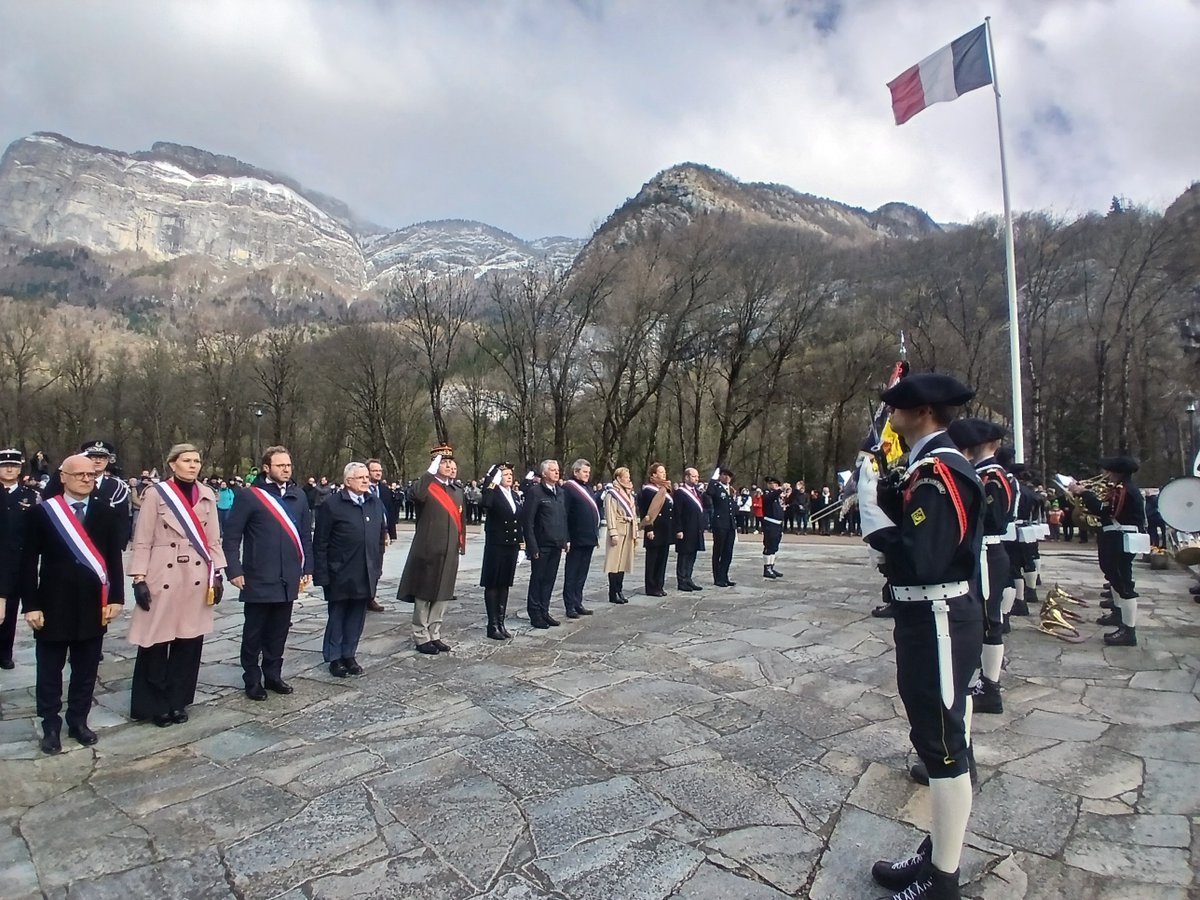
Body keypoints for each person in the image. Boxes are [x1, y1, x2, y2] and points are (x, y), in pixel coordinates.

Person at [858, 372, 983, 900]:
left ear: (924, 413)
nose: (891, 416)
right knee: (937, 743)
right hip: (927, 617)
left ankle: (943, 880)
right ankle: (938, 853)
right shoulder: (928, 467)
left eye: (898, 407)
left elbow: (922, 555)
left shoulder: (939, 470)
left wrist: (873, 520)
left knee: (944, 748)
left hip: (937, 617)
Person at [20, 454, 125, 753]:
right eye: (79, 475)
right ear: (63, 477)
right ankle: (50, 725)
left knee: (86, 668)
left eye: (91, 475)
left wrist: (116, 597)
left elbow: (113, 559)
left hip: (93, 604)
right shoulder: (44, 513)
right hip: (53, 604)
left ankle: (78, 720)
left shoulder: (105, 512)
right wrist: (31, 605)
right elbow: (29, 563)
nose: (86, 479)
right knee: (50, 669)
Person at [127, 444, 226, 726]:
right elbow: (142, 538)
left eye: (197, 460)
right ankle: (154, 703)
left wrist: (217, 573)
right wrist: (138, 577)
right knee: (156, 641)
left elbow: (213, 540)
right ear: (173, 464)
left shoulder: (206, 495)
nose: (193, 465)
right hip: (163, 571)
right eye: (187, 460)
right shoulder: (156, 495)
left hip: (195, 574)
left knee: (188, 641)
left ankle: (178, 700)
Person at [222, 446, 313, 700]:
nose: (286, 469)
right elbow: (231, 536)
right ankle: (252, 678)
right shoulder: (250, 496)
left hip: (288, 578)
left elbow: (305, 535)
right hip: (258, 576)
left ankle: (273, 674)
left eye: (288, 465)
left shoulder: (299, 496)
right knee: (254, 633)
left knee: (279, 631)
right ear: (266, 468)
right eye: (280, 465)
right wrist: (234, 569)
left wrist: (308, 567)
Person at [947, 419, 1013, 716]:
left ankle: (990, 687)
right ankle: (987, 678)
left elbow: (993, 518)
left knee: (989, 621)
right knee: (988, 618)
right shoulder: (987, 474)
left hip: (988, 552)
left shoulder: (991, 477)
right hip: (986, 551)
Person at [314, 462, 387, 676]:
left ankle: (349, 654)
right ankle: (334, 657)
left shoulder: (374, 503)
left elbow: (379, 539)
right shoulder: (332, 505)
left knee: (357, 616)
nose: (366, 480)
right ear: (348, 482)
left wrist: (377, 566)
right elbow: (321, 542)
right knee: (338, 616)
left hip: (365, 570)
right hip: (340, 571)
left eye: (367, 477)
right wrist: (323, 574)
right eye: (360, 477)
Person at [397, 444, 465, 653]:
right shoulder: (426, 487)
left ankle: (435, 633)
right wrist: (429, 473)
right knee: (424, 594)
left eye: (450, 462)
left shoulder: (456, 490)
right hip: (428, 548)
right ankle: (421, 635)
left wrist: (461, 544)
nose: (448, 465)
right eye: (442, 462)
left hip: (449, 550)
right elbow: (415, 495)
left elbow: (460, 520)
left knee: (443, 594)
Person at [1075, 456, 1146, 646]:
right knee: (1114, 577)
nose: (1105, 475)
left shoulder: (1124, 490)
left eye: (1108, 471)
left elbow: (1105, 510)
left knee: (1124, 584)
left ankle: (1128, 630)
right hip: (1114, 537)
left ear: (1117, 472)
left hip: (1120, 538)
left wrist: (1084, 493)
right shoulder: (1119, 488)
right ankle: (1118, 614)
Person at [44, 441, 133, 548]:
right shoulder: (71, 482)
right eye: (93, 457)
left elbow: (122, 519)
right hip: (70, 541)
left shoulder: (117, 486)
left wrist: (119, 544)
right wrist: (65, 466)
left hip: (103, 545)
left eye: (103, 457)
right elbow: (48, 496)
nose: (98, 461)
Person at [0, 449, 38, 672]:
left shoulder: (29, 496)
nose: (9, 469)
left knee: (10, 611)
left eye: (13, 465)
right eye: (4, 466)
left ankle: (5, 653)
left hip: (17, 560)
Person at [522, 459, 569, 628]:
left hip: (556, 544)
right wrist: (532, 546)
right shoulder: (535, 492)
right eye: (553, 470)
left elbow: (563, 518)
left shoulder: (560, 492)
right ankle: (535, 613)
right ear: (544, 473)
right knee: (538, 579)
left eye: (558, 469)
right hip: (541, 545)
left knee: (549, 580)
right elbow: (528, 522)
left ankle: (544, 610)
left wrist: (565, 539)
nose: (557, 472)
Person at [479, 462, 522, 639]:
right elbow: (486, 504)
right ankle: (493, 624)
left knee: (505, 584)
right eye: (505, 474)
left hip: (510, 546)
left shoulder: (514, 494)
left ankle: (501, 623)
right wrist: (491, 482)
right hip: (496, 545)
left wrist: (521, 545)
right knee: (493, 584)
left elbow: (520, 522)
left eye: (510, 474)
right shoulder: (493, 493)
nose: (509, 476)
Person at [562, 458, 600, 618]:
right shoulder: (569, 488)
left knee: (582, 573)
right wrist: (566, 538)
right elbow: (564, 514)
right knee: (572, 573)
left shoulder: (588, 488)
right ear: (575, 471)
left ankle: (578, 602)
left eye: (588, 473)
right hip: (576, 538)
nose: (587, 475)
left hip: (588, 538)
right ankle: (569, 605)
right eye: (584, 472)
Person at [603, 467, 638, 603]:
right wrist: (612, 531)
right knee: (614, 563)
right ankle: (613, 592)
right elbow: (610, 513)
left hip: (628, 530)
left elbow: (633, 513)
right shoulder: (612, 494)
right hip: (618, 529)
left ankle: (619, 590)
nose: (628, 479)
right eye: (626, 476)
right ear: (618, 478)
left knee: (623, 563)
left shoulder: (629, 493)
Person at [639, 463, 674, 597]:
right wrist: (649, 528)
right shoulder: (648, 490)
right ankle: (651, 586)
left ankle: (659, 585)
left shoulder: (666, 489)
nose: (663, 474)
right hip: (655, 529)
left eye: (664, 472)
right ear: (653, 474)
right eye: (660, 472)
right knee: (652, 560)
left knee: (662, 559)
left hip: (665, 529)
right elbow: (646, 512)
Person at [365, 458, 395, 612]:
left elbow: (389, 511)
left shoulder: (384, 490)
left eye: (379, 471)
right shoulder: (363, 489)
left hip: (381, 534)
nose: (378, 473)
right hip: (366, 533)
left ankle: (371, 597)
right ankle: (363, 597)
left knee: (377, 567)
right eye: (374, 470)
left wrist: (390, 531)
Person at [673, 467, 706, 591]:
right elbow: (677, 512)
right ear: (687, 477)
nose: (696, 479)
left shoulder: (697, 492)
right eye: (694, 476)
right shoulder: (680, 492)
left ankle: (688, 578)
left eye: (697, 476)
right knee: (684, 555)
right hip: (685, 529)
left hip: (696, 528)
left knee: (692, 554)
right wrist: (678, 529)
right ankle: (681, 580)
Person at [706, 467, 737, 587]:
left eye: (729, 476)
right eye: (724, 475)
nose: (727, 477)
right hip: (720, 524)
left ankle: (724, 575)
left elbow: (732, 507)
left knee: (728, 551)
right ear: (720, 476)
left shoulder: (730, 490)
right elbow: (709, 492)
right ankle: (717, 577)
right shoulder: (716, 487)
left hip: (730, 524)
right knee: (718, 550)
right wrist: (713, 479)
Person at [761, 477, 786, 579]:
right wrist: (780, 490)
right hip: (770, 523)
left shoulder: (778, 496)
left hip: (778, 524)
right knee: (769, 546)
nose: (773, 485)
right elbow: (770, 498)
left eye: (775, 484)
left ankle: (771, 566)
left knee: (774, 547)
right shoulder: (768, 494)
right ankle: (767, 568)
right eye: (771, 483)